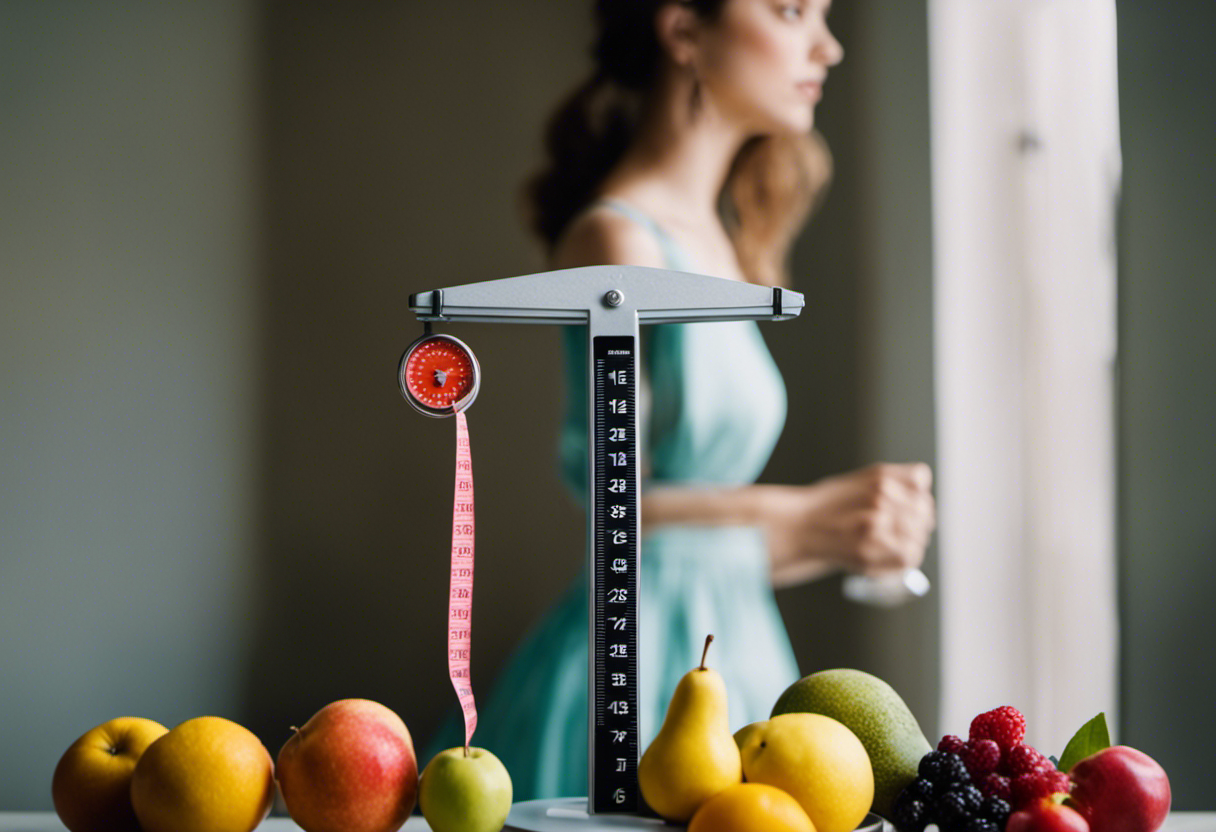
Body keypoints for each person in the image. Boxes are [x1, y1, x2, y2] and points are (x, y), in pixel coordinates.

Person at [425, 0, 936, 800]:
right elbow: (619, 519)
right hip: (634, 676)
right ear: (684, 31)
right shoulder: (619, 242)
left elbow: (700, 539)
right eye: (791, 10)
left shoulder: (717, 239)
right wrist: (809, 515)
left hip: (732, 646)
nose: (827, 47)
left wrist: (837, 532)